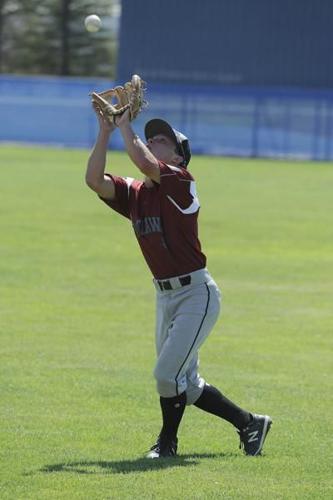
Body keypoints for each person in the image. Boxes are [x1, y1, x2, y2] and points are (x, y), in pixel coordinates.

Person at [85, 103, 272, 458]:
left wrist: (126, 126)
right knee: (184, 382)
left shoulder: (181, 182)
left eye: (162, 140)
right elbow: (94, 180)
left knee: (166, 374)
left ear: (179, 156)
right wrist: (106, 131)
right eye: (151, 137)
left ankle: (167, 445)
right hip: (164, 297)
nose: (153, 141)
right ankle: (249, 423)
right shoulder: (138, 193)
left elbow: (144, 163)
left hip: (195, 295)